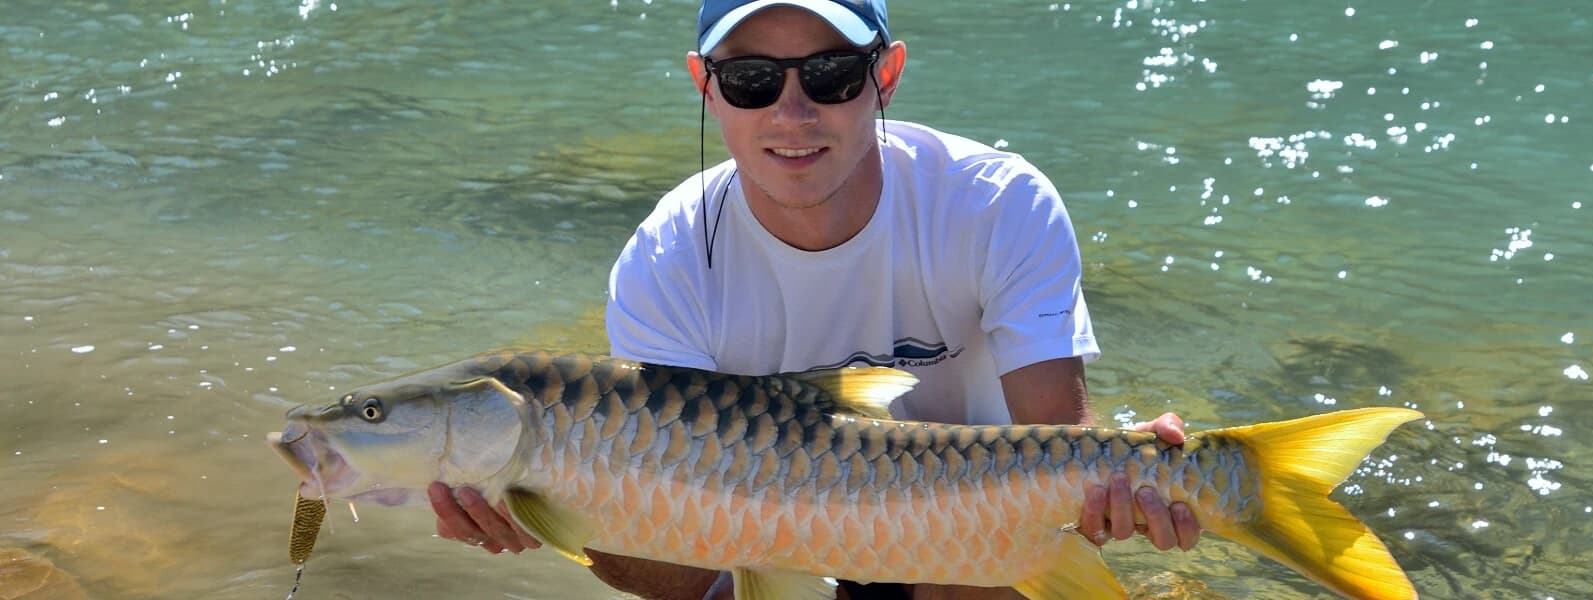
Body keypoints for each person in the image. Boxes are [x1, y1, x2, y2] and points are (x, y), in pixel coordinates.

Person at [428, 1, 1201, 598]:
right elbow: (681, 567)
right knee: (625, 517)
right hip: (764, 549)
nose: (792, 115)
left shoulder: (998, 203)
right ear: (707, 88)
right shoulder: (666, 258)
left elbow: (1057, 446)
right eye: (753, 82)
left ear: (886, 75)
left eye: (830, 76)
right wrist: (546, 508)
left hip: (974, 547)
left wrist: (1123, 495)